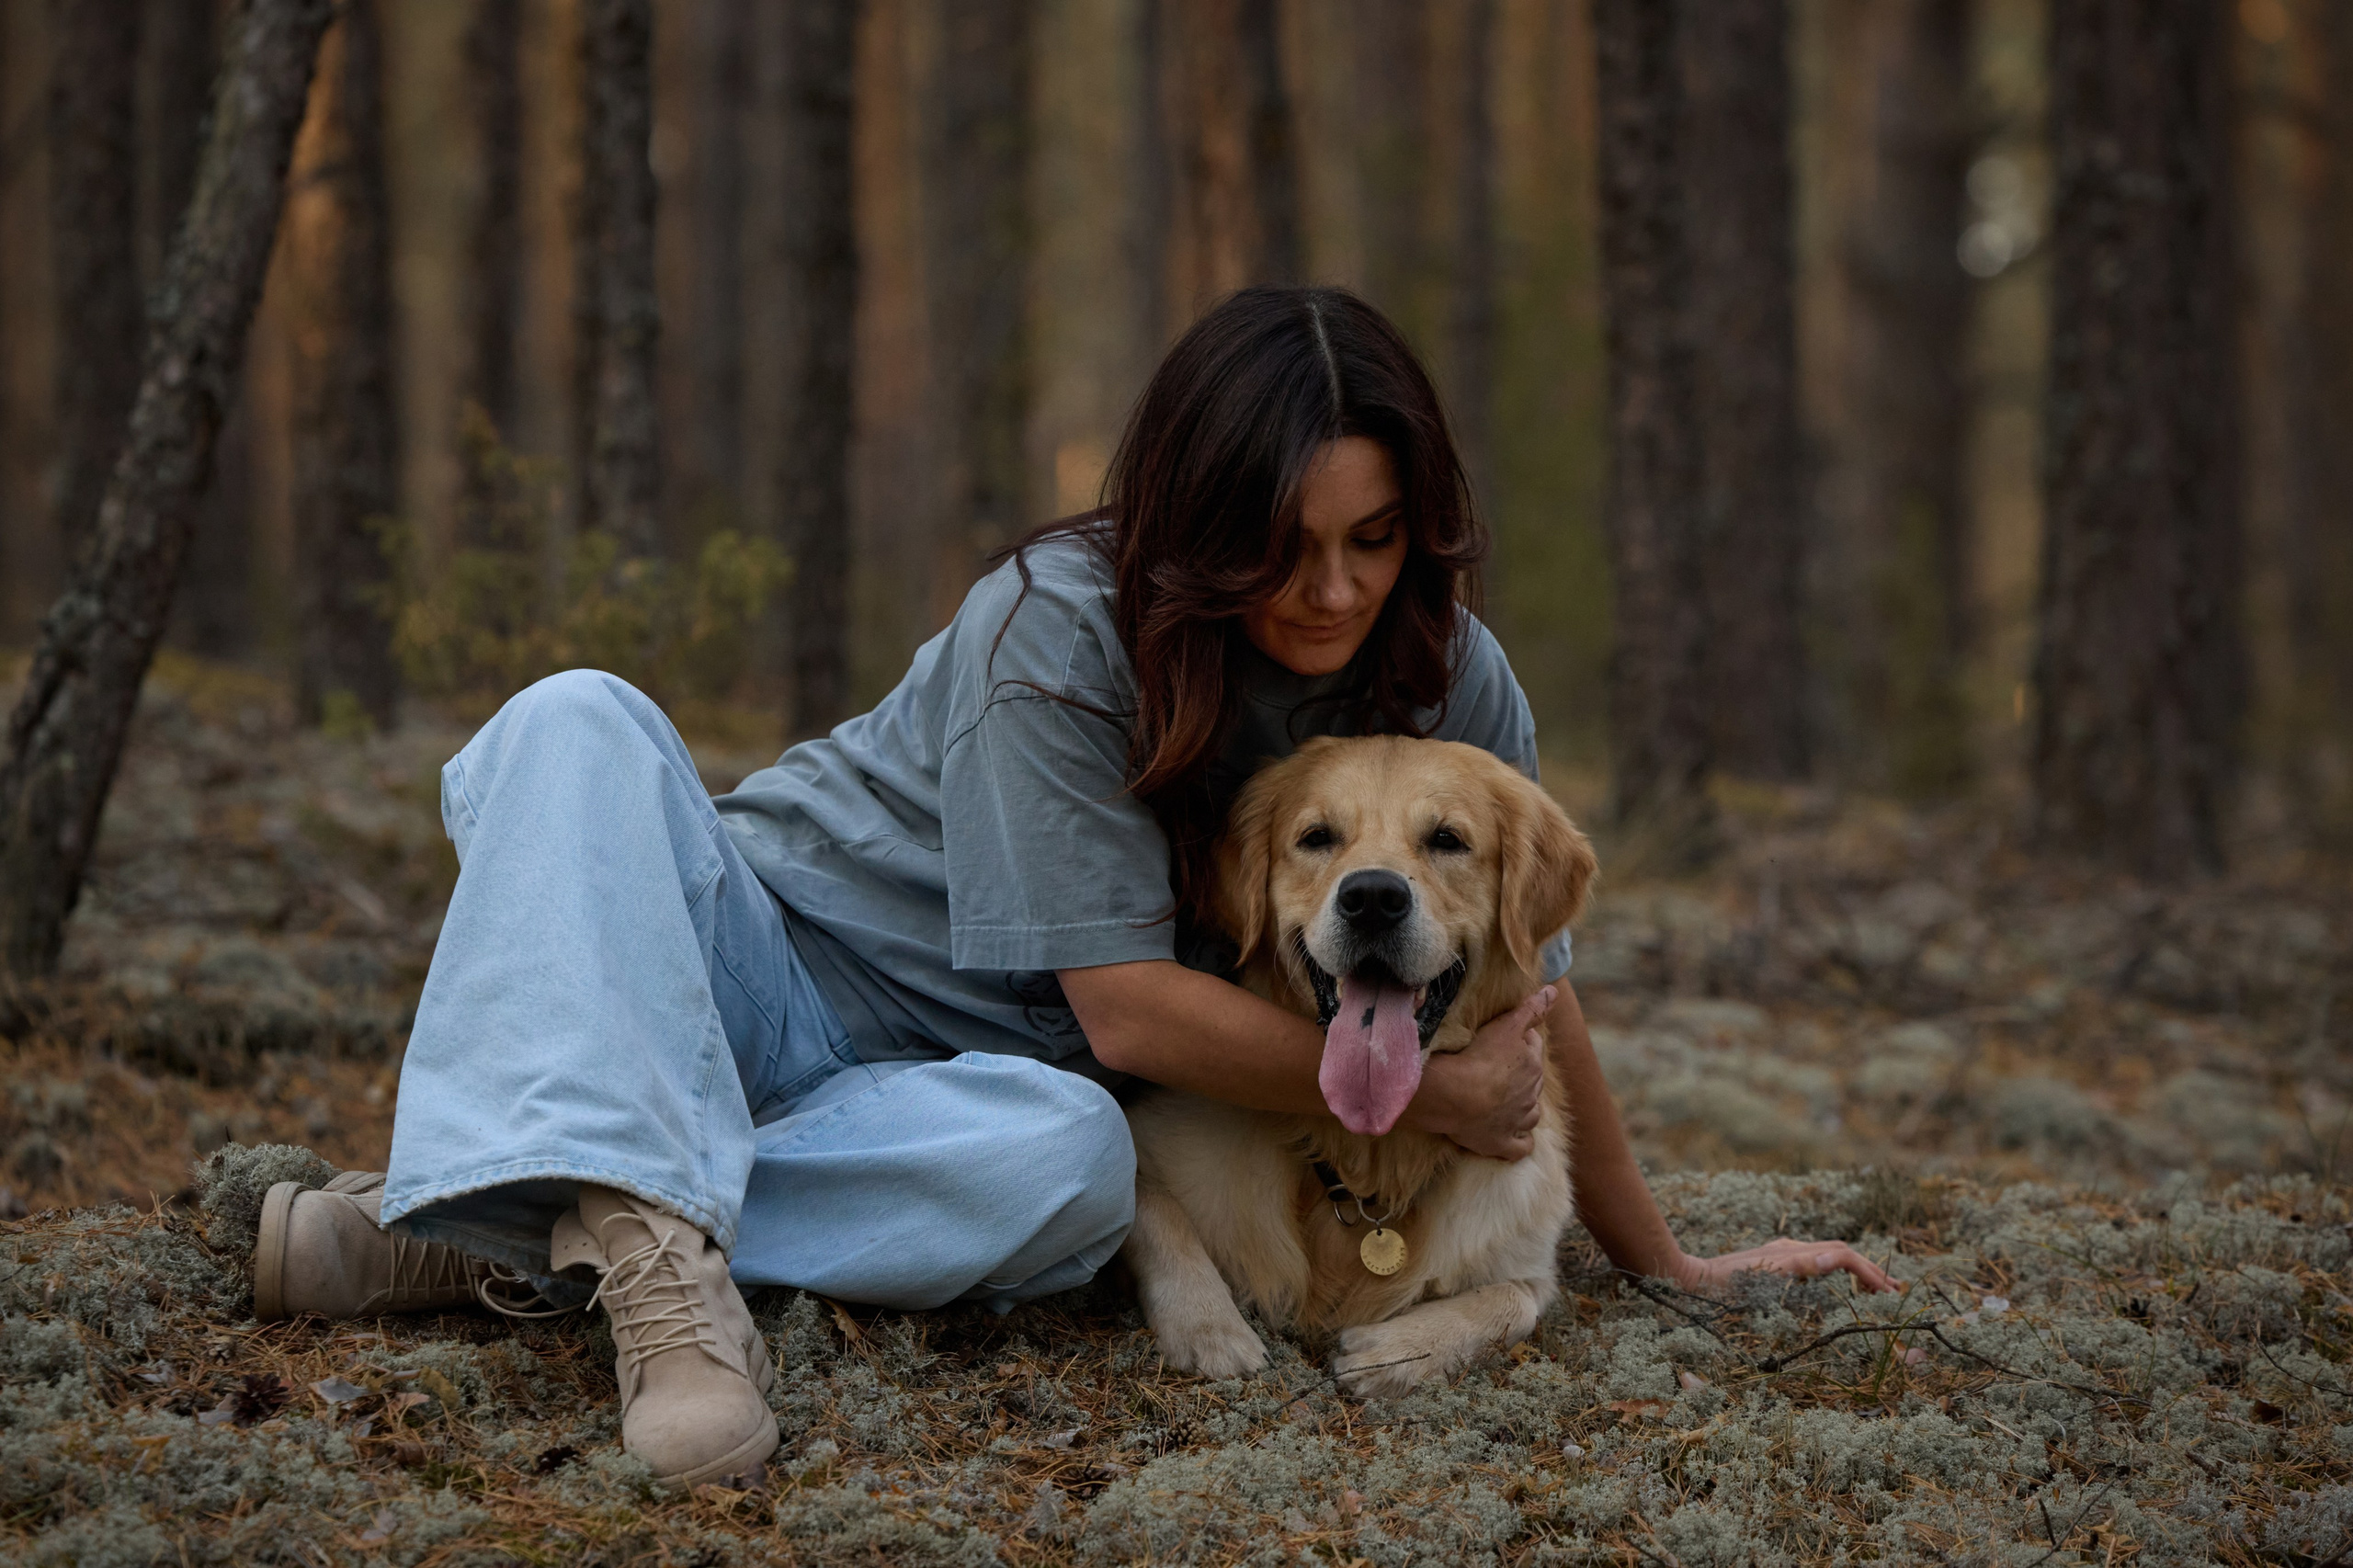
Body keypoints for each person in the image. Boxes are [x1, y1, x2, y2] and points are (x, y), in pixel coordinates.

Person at [253, 286, 1893, 1488]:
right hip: (752, 972)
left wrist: (1664, 1260)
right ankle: (662, 1292)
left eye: (1376, 540)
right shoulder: (1062, 624)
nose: (1332, 589)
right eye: (1285, 541)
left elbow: (1528, 989)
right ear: (1194, 512)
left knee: (1075, 1163)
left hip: (959, 1100)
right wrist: (1430, 1098)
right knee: (573, 718)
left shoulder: (1455, 688)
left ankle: (538, 1218)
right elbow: (1125, 1005)